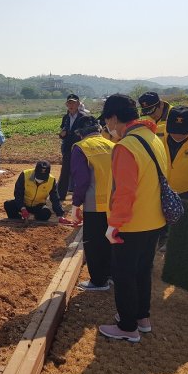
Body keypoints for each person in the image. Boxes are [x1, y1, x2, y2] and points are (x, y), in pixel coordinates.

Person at [98, 94, 167, 343]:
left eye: (107, 121)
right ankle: (142, 318)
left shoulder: (125, 147)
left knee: (124, 274)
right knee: (142, 271)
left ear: (114, 118)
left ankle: (128, 327)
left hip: (131, 223)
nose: (108, 127)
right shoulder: (152, 137)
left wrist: (114, 225)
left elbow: (124, 191)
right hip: (154, 220)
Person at [69, 116, 115, 291]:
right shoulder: (114, 145)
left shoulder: (80, 148)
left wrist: (75, 205)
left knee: (94, 243)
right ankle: (111, 275)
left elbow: (82, 180)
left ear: (80, 133)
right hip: (114, 203)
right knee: (111, 240)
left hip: (94, 203)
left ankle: (98, 281)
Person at [3, 160, 70, 223]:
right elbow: (18, 193)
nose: (40, 180)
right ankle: (17, 220)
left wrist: (60, 216)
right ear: (35, 171)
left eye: (43, 177)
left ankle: (35, 219)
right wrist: (22, 208)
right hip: (24, 203)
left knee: (46, 213)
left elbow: (55, 198)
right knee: (8, 205)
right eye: (39, 176)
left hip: (38, 206)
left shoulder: (51, 180)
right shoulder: (25, 174)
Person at [58, 94, 83, 201]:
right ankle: (60, 195)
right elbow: (62, 132)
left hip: (79, 148)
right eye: (69, 103)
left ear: (78, 104)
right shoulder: (65, 118)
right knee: (65, 171)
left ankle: (79, 196)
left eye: (73, 103)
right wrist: (61, 134)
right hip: (67, 147)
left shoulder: (83, 117)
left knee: (79, 172)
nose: (71, 105)